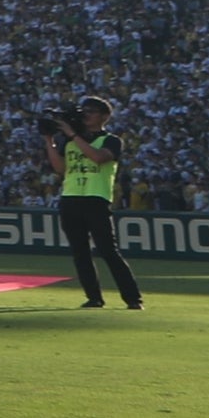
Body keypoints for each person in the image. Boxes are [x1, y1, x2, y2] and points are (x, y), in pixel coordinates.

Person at [44, 97, 143, 310]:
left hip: (96, 198)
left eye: (92, 111)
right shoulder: (70, 141)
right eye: (84, 111)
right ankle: (93, 297)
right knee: (80, 252)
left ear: (104, 117)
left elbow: (98, 157)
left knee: (109, 250)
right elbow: (60, 169)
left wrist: (73, 134)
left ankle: (133, 298)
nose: (86, 115)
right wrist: (49, 140)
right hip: (71, 198)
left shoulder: (111, 140)